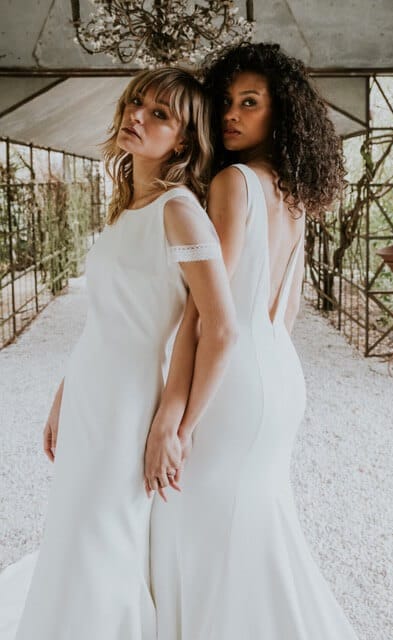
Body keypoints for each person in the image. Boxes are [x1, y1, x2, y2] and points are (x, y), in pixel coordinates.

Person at [4, 67, 237, 640]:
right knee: (72, 528)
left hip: (129, 404)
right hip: (91, 391)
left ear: (182, 140)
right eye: (137, 102)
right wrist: (63, 394)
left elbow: (221, 327)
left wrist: (178, 427)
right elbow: (104, 320)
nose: (137, 115)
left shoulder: (179, 210)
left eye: (160, 114)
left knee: (103, 535)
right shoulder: (126, 206)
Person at [149, 43, 359, 639]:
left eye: (250, 103)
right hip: (279, 373)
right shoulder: (294, 194)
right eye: (225, 102)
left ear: (280, 111)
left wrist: (176, 421)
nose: (230, 115)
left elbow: (205, 316)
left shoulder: (233, 181)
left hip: (232, 379)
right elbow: (284, 311)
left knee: (196, 521)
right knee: (255, 522)